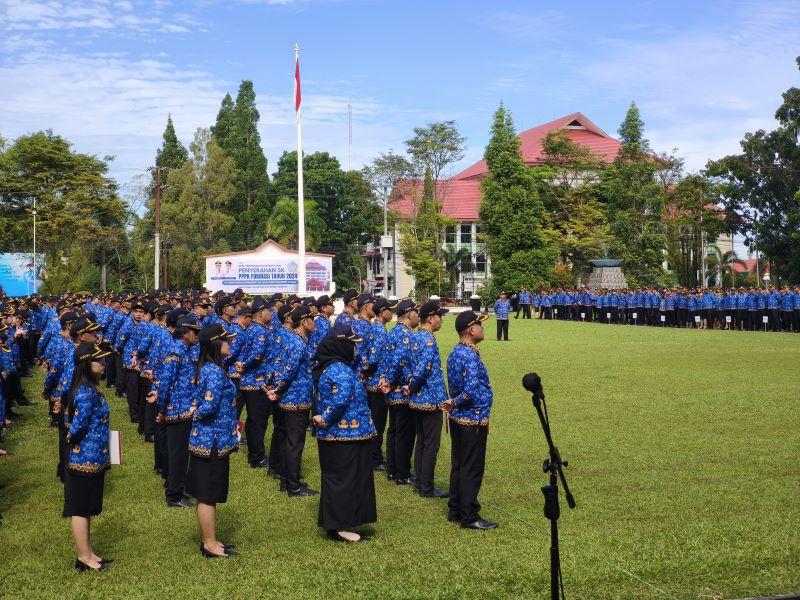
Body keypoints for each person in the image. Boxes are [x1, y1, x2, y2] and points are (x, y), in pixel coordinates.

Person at [312, 325, 377, 543]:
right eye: (350, 344)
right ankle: (340, 526)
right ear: (340, 346)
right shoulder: (338, 369)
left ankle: (343, 522)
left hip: (348, 434)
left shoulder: (334, 366)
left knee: (348, 478)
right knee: (344, 479)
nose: (354, 349)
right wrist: (326, 417)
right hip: (343, 435)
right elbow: (339, 399)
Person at [442, 311, 497, 530]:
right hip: (472, 418)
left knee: (459, 465)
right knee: (471, 468)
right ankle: (469, 515)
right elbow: (471, 389)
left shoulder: (457, 351)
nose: (483, 329)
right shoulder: (470, 355)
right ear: (471, 330)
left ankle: (455, 509)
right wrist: (455, 402)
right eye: (480, 326)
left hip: (460, 420)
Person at [187, 324, 239, 558]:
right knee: (207, 493)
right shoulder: (214, 372)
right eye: (226, 339)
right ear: (216, 344)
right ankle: (209, 543)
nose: (230, 343)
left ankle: (212, 539)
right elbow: (209, 406)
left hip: (212, 439)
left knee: (208, 492)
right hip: (211, 441)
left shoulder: (213, 368)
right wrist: (195, 412)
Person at [63, 341, 113, 571]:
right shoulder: (84, 392)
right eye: (98, 359)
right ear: (85, 364)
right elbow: (77, 426)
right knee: (80, 508)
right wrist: (71, 438)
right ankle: (83, 557)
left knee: (88, 507)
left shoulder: (92, 388)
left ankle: (89, 552)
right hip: (83, 459)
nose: (103, 362)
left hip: (95, 458)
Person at [150, 315, 201, 508]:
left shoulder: (185, 350)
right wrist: (162, 409)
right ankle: (174, 495)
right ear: (185, 332)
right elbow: (166, 385)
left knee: (181, 454)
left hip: (185, 410)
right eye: (194, 332)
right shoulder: (176, 352)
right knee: (177, 454)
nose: (196, 335)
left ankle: (179, 488)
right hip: (176, 411)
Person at [269, 306, 318, 497]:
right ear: (303, 321)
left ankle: (287, 479)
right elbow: (288, 371)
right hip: (296, 399)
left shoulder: (292, 339)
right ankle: (294, 486)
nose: (314, 322)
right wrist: (277, 389)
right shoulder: (298, 343)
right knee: (295, 444)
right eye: (311, 319)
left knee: (289, 441)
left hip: (290, 398)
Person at [408, 300, 449, 498]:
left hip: (418, 399)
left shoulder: (416, 337)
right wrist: (412, 386)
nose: (442, 320)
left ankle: (420, 483)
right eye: (440, 316)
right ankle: (426, 487)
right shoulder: (428, 340)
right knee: (430, 445)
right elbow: (422, 371)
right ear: (431, 318)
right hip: (429, 399)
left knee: (422, 442)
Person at [378, 299, 419, 485]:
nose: (418, 316)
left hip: (391, 391)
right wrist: (391, 381)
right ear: (410, 314)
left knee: (394, 430)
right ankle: (402, 473)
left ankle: (393, 470)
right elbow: (398, 362)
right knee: (404, 433)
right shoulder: (405, 334)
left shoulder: (393, 331)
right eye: (416, 312)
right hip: (400, 391)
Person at [364, 297, 396, 470]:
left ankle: (373, 455)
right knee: (378, 422)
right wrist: (367, 372)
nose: (392, 313)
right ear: (382, 312)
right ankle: (375, 458)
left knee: (376, 420)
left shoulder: (376, 327)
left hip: (373, 380)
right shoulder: (380, 330)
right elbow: (375, 357)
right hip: (377, 383)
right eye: (389, 310)